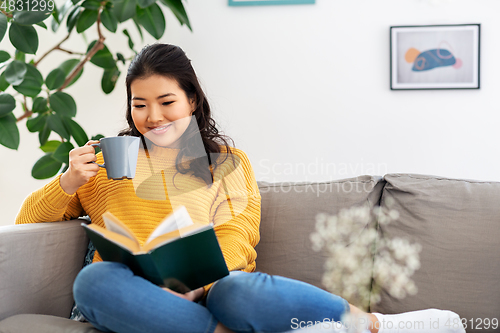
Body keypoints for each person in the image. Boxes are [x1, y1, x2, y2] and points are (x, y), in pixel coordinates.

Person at [16, 43, 465, 333]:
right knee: (93, 279)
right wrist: (66, 182)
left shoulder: (225, 163)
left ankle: (371, 324)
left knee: (237, 291)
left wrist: (195, 283)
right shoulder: (100, 160)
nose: (153, 116)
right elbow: (26, 223)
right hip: (132, 293)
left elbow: (237, 234)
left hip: (209, 290)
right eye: (140, 104)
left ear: (192, 100)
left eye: (167, 102)